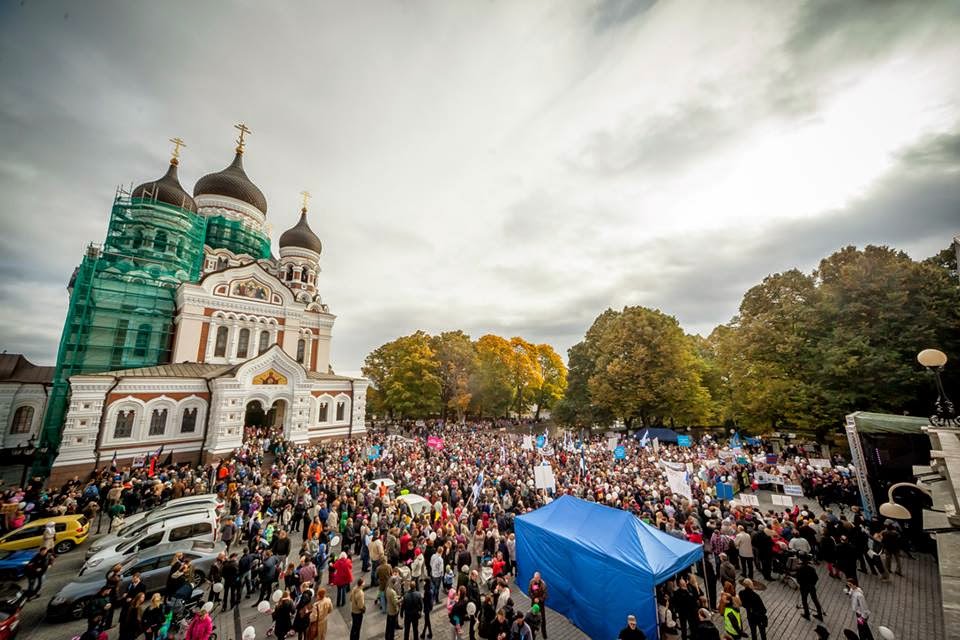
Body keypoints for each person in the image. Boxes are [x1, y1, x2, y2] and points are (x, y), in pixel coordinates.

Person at [797, 554, 824, 621]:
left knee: (804, 600)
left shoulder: (800, 569)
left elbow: (798, 579)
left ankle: (807, 614)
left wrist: (801, 584)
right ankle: (820, 615)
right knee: (815, 600)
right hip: (811, 586)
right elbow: (816, 578)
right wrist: (812, 584)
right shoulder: (812, 569)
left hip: (804, 587)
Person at [528, 572, 548, 639]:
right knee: (532, 616)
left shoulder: (543, 584)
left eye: (537, 578)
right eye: (535, 578)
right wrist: (534, 598)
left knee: (542, 618)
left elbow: (545, 595)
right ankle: (532, 632)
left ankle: (544, 634)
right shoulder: (532, 582)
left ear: (539, 578)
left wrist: (539, 599)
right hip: (534, 602)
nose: (535, 579)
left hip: (540, 603)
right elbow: (529, 591)